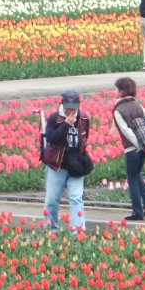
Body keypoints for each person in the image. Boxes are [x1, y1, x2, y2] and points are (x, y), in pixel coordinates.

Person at [40, 90, 89, 234]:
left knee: (76, 198)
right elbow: (52, 139)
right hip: (57, 166)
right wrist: (66, 125)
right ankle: (52, 231)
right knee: (51, 201)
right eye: (68, 106)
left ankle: (77, 232)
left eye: (73, 106)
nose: (70, 110)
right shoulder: (55, 118)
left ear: (78, 104)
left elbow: (85, 140)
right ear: (62, 104)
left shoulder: (84, 118)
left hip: (76, 166)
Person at [111, 77, 145, 221]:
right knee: (136, 174)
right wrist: (143, 143)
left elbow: (125, 130)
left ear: (121, 91)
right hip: (144, 146)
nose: (114, 91)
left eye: (116, 89)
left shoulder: (118, 110)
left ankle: (137, 211)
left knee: (132, 178)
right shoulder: (138, 105)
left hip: (132, 148)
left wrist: (137, 144)